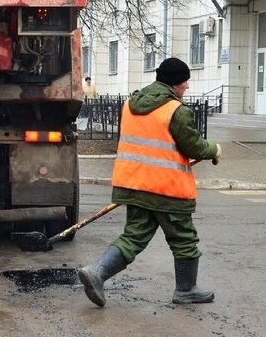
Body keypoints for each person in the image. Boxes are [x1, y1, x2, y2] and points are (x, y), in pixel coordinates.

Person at [78, 57, 222, 307]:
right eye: (184, 81)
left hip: (134, 185)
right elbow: (194, 146)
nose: (187, 86)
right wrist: (214, 150)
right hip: (166, 189)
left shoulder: (130, 104)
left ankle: (97, 272)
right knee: (184, 238)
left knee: (133, 236)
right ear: (175, 83)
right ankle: (186, 289)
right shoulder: (176, 110)